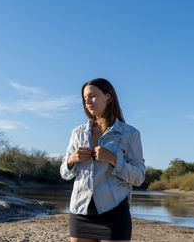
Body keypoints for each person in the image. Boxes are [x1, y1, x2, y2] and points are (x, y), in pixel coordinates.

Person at [60, 78, 146, 242]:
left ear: (108, 96)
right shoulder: (77, 133)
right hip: (80, 213)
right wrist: (71, 160)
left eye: (93, 96)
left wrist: (114, 159)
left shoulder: (130, 134)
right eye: (85, 99)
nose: (88, 102)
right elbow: (64, 173)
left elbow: (139, 177)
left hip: (115, 214)